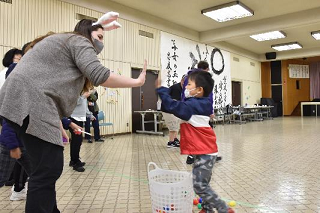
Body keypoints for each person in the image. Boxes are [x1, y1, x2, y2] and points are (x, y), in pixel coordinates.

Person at [0, 16, 147, 213]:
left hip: (19, 103)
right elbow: (100, 75)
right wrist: (137, 82)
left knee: (44, 169)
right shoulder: (78, 40)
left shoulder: (68, 44)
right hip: (30, 102)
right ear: (87, 33)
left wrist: (64, 125)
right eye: (100, 36)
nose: (101, 43)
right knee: (47, 169)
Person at [156, 71, 234, 213]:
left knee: (199, 186)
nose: (185, 87)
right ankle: (207, 209)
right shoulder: (200, 103)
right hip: (203, 150)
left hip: (205, 152)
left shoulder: (192, 106)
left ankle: (223, 208)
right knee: (203, 183)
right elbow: (181, 103)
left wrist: (161, 90)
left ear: (199, 90)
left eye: (189, 84)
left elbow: (173, 106)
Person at [0, 48, 24, 189]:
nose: (20, 61)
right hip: (8, 116)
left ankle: (15, 183)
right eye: (18, 59)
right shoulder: (8, 72)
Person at [161, 75, 185, 148]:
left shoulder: (183, 89)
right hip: (168, 110)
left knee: (177, 125)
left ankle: (174, 139)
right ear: (182, 81)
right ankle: (170, 142)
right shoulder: (176, 88)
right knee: (173, 126)